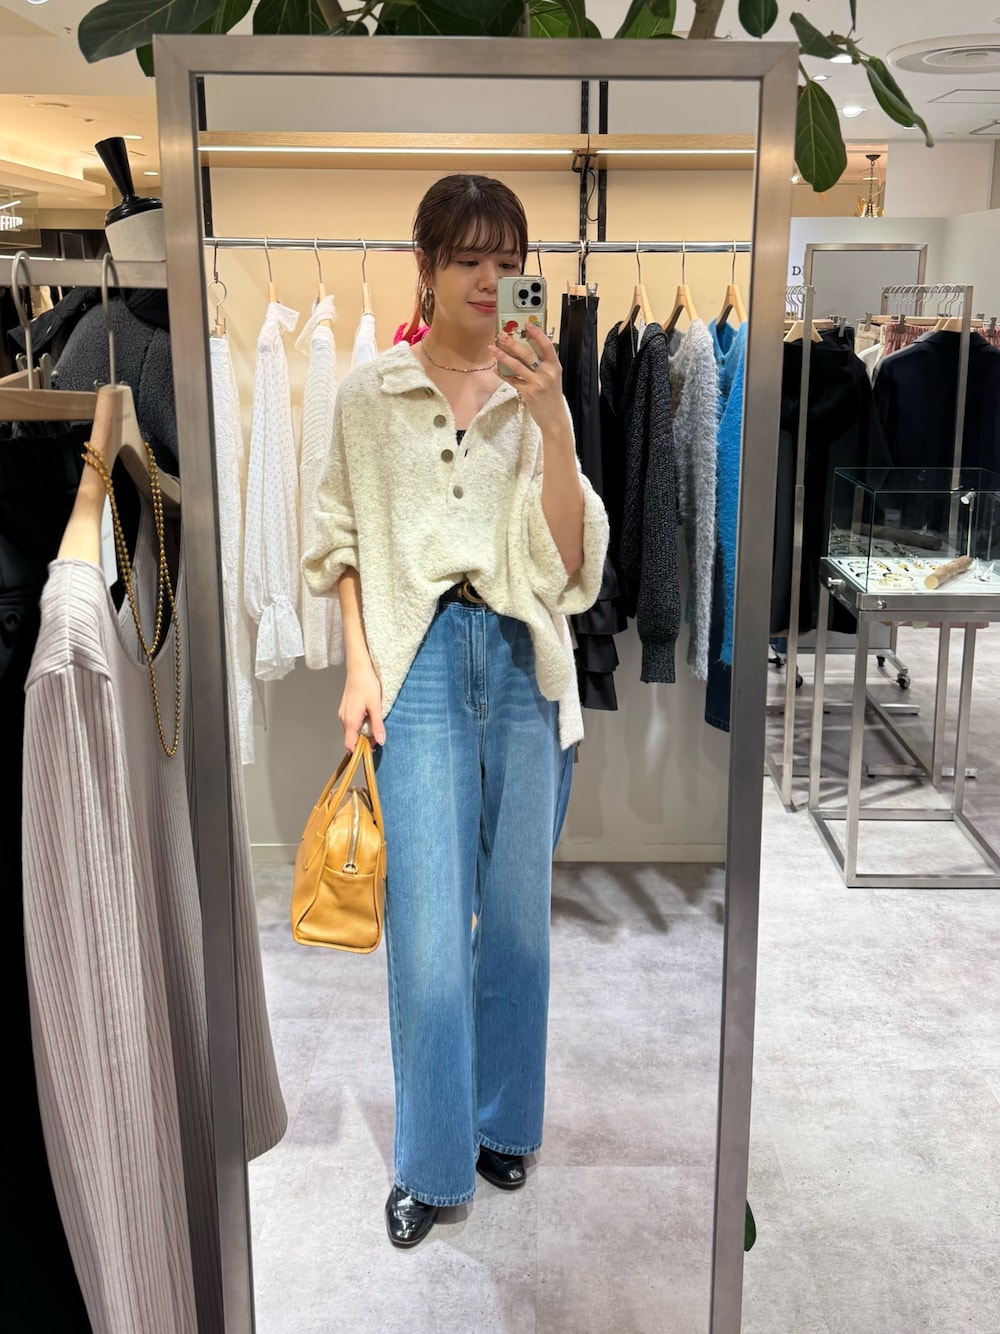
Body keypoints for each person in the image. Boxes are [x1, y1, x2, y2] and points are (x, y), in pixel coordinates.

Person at [302, 173, 609, 1248]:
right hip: (420, 662)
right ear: (425, 267)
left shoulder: (536, 395)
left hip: (525, 661)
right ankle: (431, 1162)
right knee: (428, 932)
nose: (488, 278)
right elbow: (339, 538)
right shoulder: (369, 395)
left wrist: (553, 416)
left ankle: (503, 1122)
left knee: (516, 923)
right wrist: (359, 665)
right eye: (467, 257)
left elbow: (568, 565)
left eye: (507, 260)